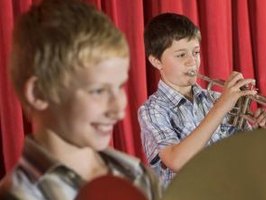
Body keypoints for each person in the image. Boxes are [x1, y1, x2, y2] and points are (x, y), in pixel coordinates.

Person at [0, 0, 162, 199]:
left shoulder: (139, 177)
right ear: (39, 93)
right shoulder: (17, 194)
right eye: (98, 91)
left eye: (119, 86)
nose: (118, 110)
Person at [138, 12, 266, 187]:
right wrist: (220, 108)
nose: (192, 62)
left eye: (195, 52)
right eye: (181, 55)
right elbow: (176, 161)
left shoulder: (216, 99)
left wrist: (262, 132)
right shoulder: (152, 110)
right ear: (156, 61)